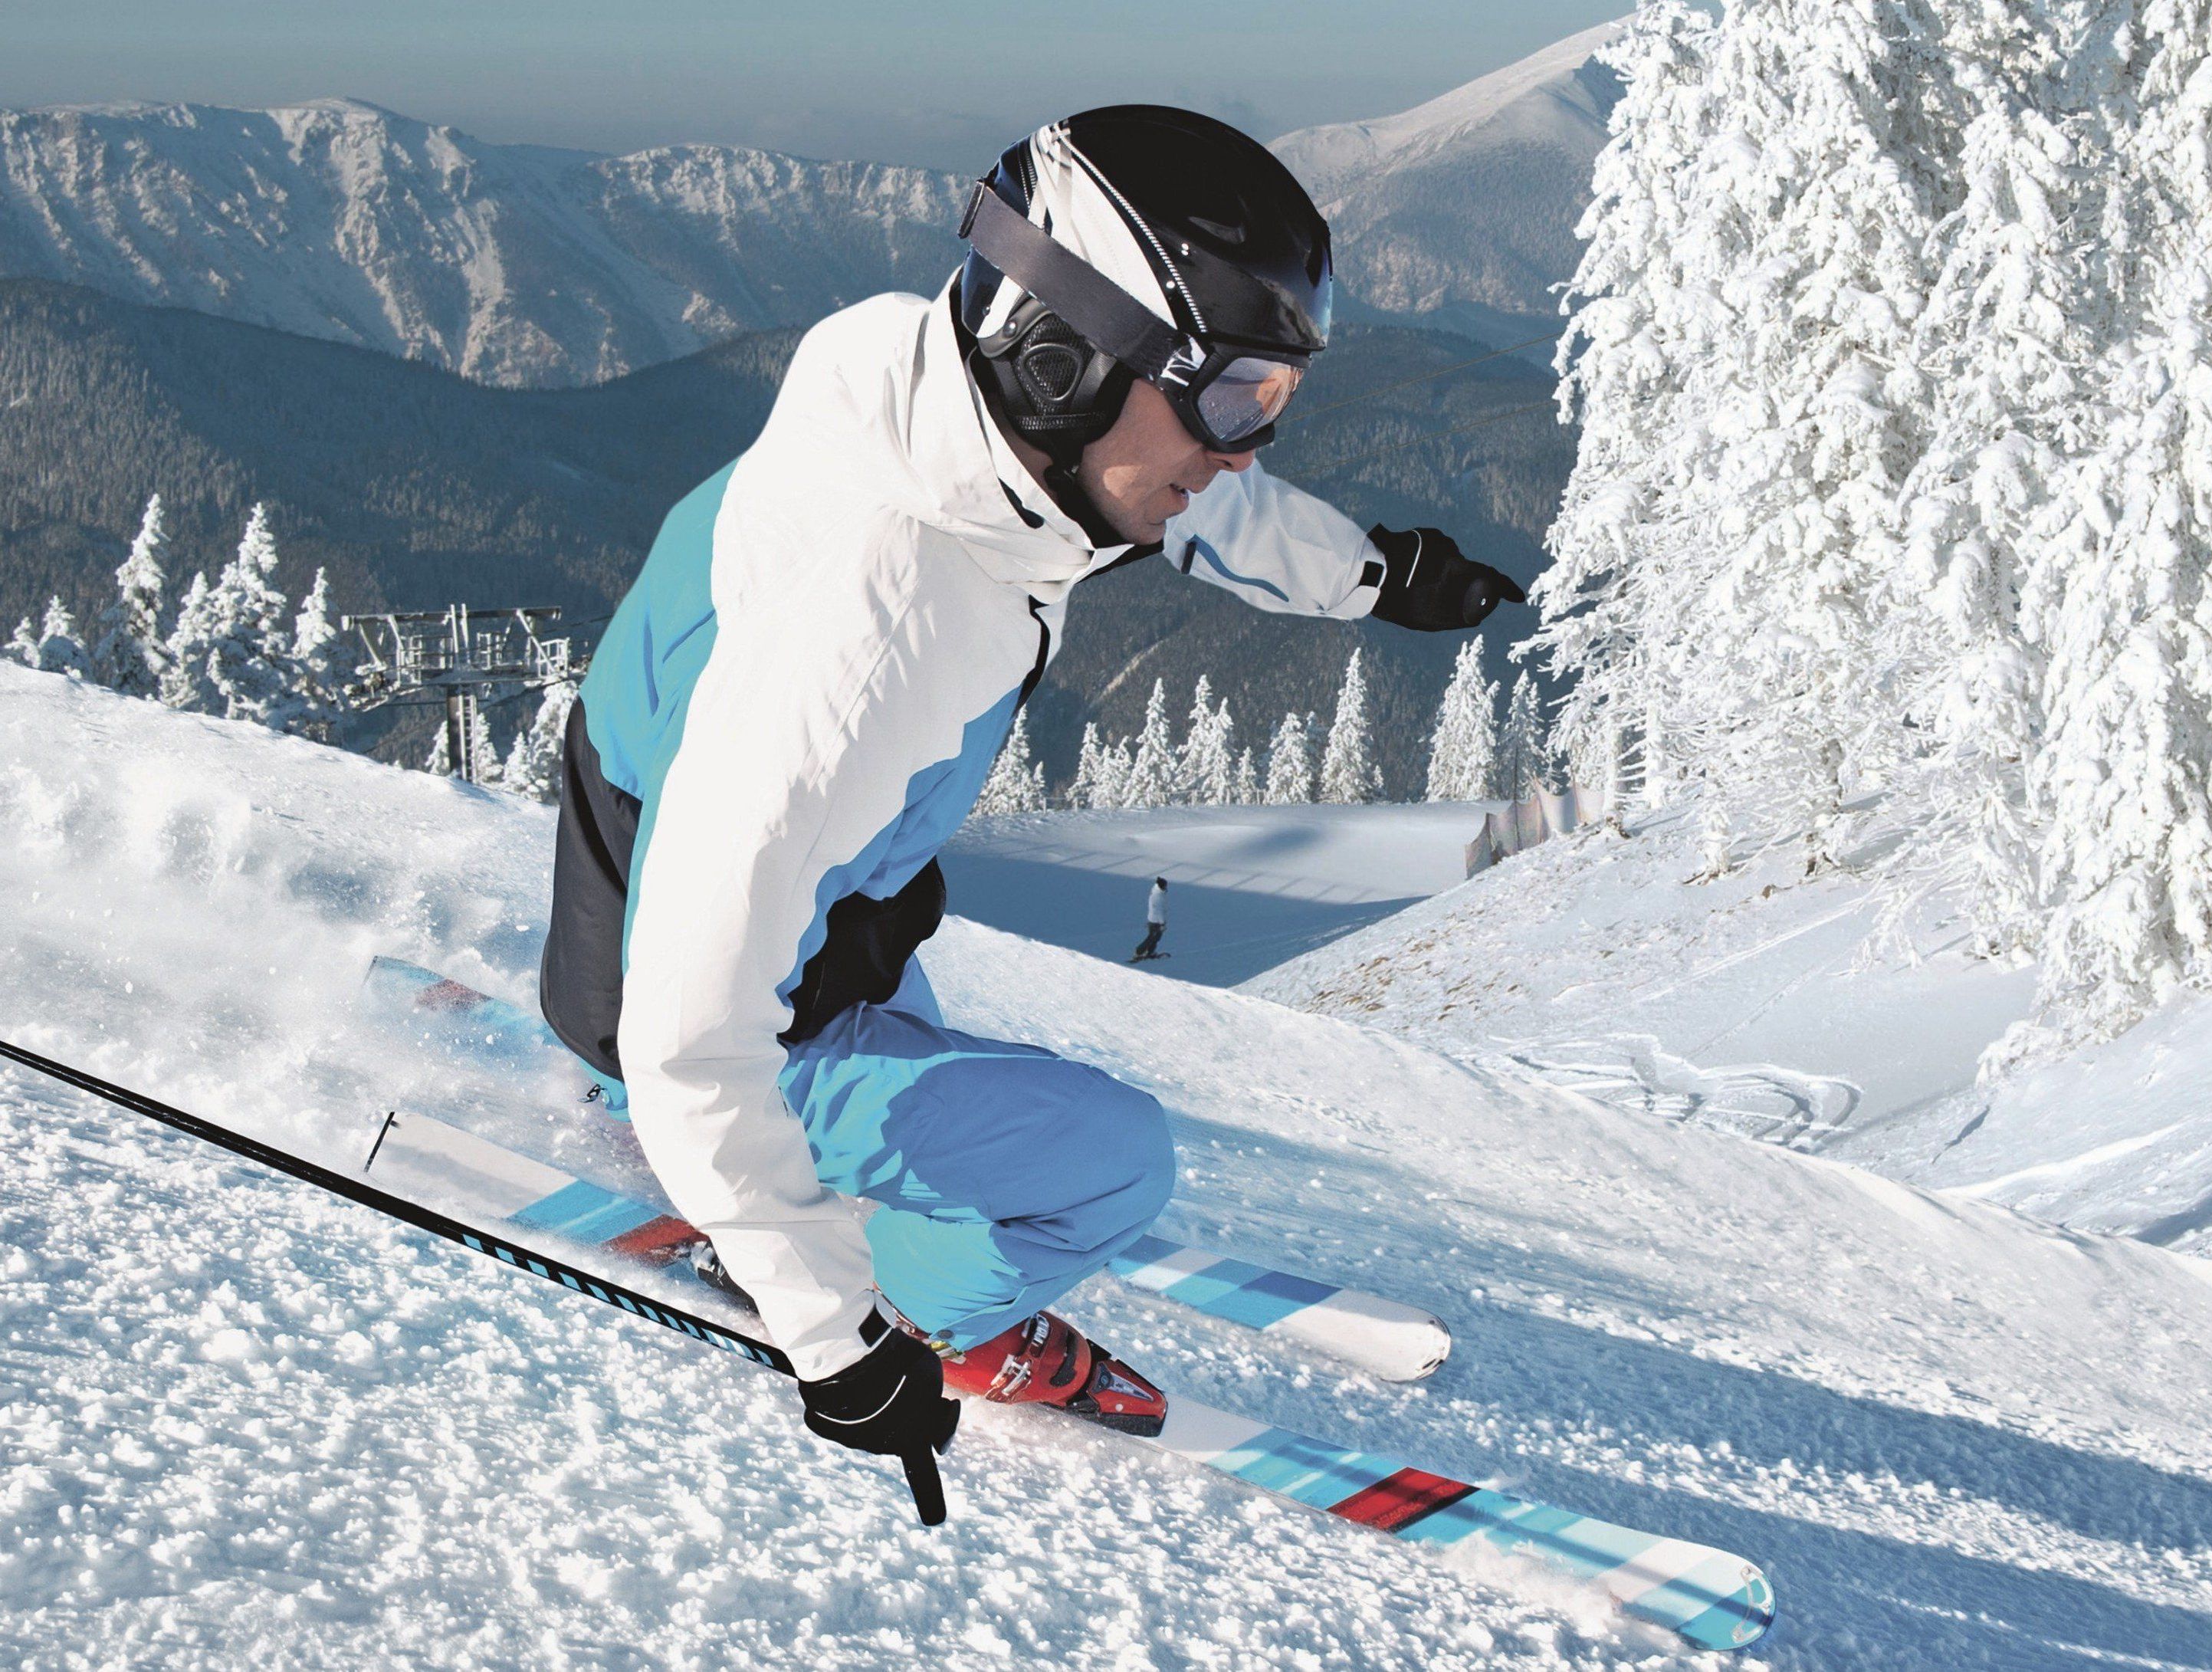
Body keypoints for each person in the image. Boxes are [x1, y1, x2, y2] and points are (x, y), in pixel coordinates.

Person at [537, 105, 1527, 1516]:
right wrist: (837, 1339)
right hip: (677, 964)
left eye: (1275, 401)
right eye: (1236, 395)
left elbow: (1167, 488)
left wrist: (1372, 574)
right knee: (1108, 1167)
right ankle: (942, 1309)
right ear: (1058, 365)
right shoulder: (865, 641)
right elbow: (692, 1025)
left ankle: (753, 1144)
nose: (1245, 447)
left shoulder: (927, 384)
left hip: (725, 866)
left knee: (942, 1081)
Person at [1134, 877, 1170, 961]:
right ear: (1161, 886)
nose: (1166, 887)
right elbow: (1159, 911)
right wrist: (1162, 924)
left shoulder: (1156, 893)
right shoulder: (1158, 896)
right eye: (1165, 886)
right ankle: (1139, 952)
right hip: (1156, 921)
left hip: (1153, 920)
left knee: (1155, 938)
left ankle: (1150, 952)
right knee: (1152, 938)